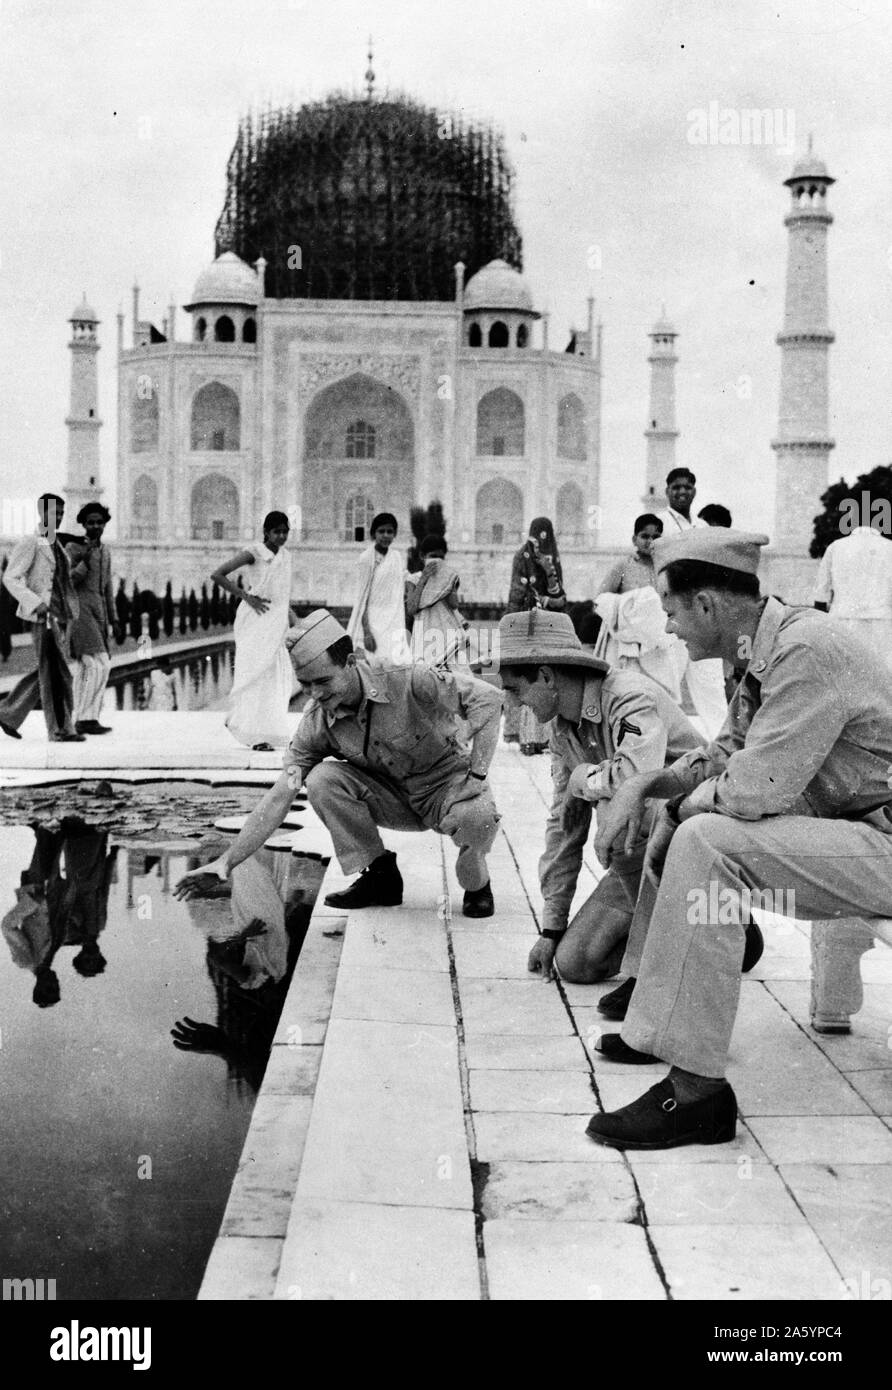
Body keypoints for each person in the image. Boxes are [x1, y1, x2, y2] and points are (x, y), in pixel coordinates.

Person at [586, 527, 892, 1151]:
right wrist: (647, 784)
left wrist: (675, 803)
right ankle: (661, 1016)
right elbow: (725, 753)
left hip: (880, 843)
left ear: (707, 606)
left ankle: (696, 1095)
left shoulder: (806, 650)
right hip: (856, 835)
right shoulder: (765, 648)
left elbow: (756, 787)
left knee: (705, 841)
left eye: (671, 612)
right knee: (682, 822)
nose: (669, 630)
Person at [174, 609, 503, 918]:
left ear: (349, 661)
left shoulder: (406, 678)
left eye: (322, 681)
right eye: (305, 685)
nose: (314, 694)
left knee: (479, 818)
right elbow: (279, 795)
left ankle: (477, 883)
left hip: (446, 790)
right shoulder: (317, 722)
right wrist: (226, 861)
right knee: (321, 779)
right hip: (392, 797)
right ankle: (380, 877)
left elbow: (488, 699)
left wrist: (477, 772)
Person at [494, 609, 706, 984]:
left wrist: (581, 778)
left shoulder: (629, 696)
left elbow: (635, 780)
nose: (512, 703)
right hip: (645, 862)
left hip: (695, 842)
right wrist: (551, 928)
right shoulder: (562, 731)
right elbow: (565, 826)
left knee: (621, 808)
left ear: (545, 676)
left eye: (515, 689)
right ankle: (715, 931)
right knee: (575, 962)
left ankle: (655, 970)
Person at [0, 493, 84, 742]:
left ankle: (8, 713)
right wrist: (35, 604)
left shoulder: (55, 544)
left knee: (49, 670)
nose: (57, 518)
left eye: (60, 513)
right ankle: (60, 730)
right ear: (41, 513)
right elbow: (10, 577)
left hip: (61, 618)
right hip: (43, 617)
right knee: (57, 675)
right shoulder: (31, 542)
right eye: (52, 513)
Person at [212, 510, 296, 751]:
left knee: (275, 676)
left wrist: (292, 617)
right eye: (276, 531)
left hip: (276, 622)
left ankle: (262, 728)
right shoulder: (254, 553)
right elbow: (218, 574)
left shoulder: (286, 556)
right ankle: (255, 735)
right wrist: (246, 596)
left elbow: (283, 593)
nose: (281, 536)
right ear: (266, 532)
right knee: (255, 674)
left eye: (285, 531)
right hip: (256, 619)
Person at [660, 469, 728, 738]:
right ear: (667, 491)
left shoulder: (702, 528)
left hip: (701, 616)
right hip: (672, 616)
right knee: (666, 687)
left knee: (712, 689)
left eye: (687, 487)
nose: (682, 492)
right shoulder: (660, 524)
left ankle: (724, 752)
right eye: (676, 487)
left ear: (695, 491)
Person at [594, 513, 679, 700]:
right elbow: (600, 599)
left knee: (657, 695)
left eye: (656, 536)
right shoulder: (624, 566)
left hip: (656, 645)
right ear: (634, 539)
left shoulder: (665, 569)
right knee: (627, 694)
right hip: (626, 645)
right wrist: (627, 605)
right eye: (644, 536)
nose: (650, 541)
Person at [505, 517, 567, 754]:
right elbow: (517, 591)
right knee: (528, 676)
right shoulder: (522, 556)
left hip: (547, 625)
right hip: (527, 624)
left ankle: (545, 738)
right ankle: (527, 737)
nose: (540, 540)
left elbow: (560, 596)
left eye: (544, 534)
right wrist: (512, 623)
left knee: (547, 677)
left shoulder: (553, 558)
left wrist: (549, 570)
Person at [65, 501, 119, 735]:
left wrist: (114, 619)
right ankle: (84, 719)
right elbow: (66, 581)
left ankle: (86, 717)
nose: (95, 526)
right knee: (98, 665)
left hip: (98, 613)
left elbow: (107, 588)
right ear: (83, 525)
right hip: (80, 610)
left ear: (105, 524)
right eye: (90, 522)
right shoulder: (74, 548)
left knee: (87, 668)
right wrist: (84, 564)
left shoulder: (105, 551)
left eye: (99, 522)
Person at [813, 517, 892, 668]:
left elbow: (821, 594)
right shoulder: (889, 548)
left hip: (842, 621)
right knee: (884, 674)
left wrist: (820, 629)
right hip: (882, 624)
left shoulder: (835, 547)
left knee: (843, 672)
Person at [346, 512, 411, 667]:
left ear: (394, 534)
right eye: (381, 531)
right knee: (374, 666)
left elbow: (404, 580)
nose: (385, 535)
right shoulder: (366, 558)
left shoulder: (396, 557)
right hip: (373, 622)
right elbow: (362, 598)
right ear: (374, 533)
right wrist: (367, 632)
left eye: (390, 532)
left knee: (396, 666)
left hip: (394, 620)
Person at [405, 534, 470, 669]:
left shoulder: (446, 580)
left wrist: (449, 583)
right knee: (427, 668)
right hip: (425, 628)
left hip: (445, 627)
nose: (437, 560)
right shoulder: (414, 579)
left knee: (453, 667)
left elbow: (454, 604)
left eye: (441, 557)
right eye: (433, 556)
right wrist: (424, 578)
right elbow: (411, 609)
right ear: (423, 556)